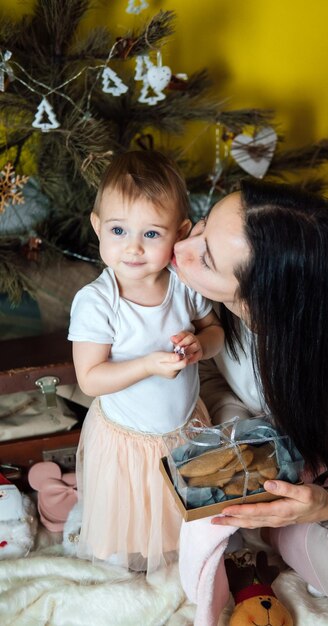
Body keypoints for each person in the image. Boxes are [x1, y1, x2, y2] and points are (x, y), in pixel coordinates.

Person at [173, 179, 328, 612]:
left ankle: (280, 530)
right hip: (311, 451)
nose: (181, 246)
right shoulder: (203, 302)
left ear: (263, 299)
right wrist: (250, 435)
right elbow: (213, 377)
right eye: (203, 225)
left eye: (206, 258)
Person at [68, 150, 224, 575]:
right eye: (118, 230)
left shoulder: (184, 286)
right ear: (98, 226)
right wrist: (147, 365)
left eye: (152, 234)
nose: (133, 247)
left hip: (184, 425)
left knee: (183, 507)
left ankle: (183, 551)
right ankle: (139, 561)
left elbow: (215, 332)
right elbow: (91, 379)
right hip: (128, 439)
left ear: (181, 232)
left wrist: (199, 347)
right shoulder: (97, 302)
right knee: (135, 517)